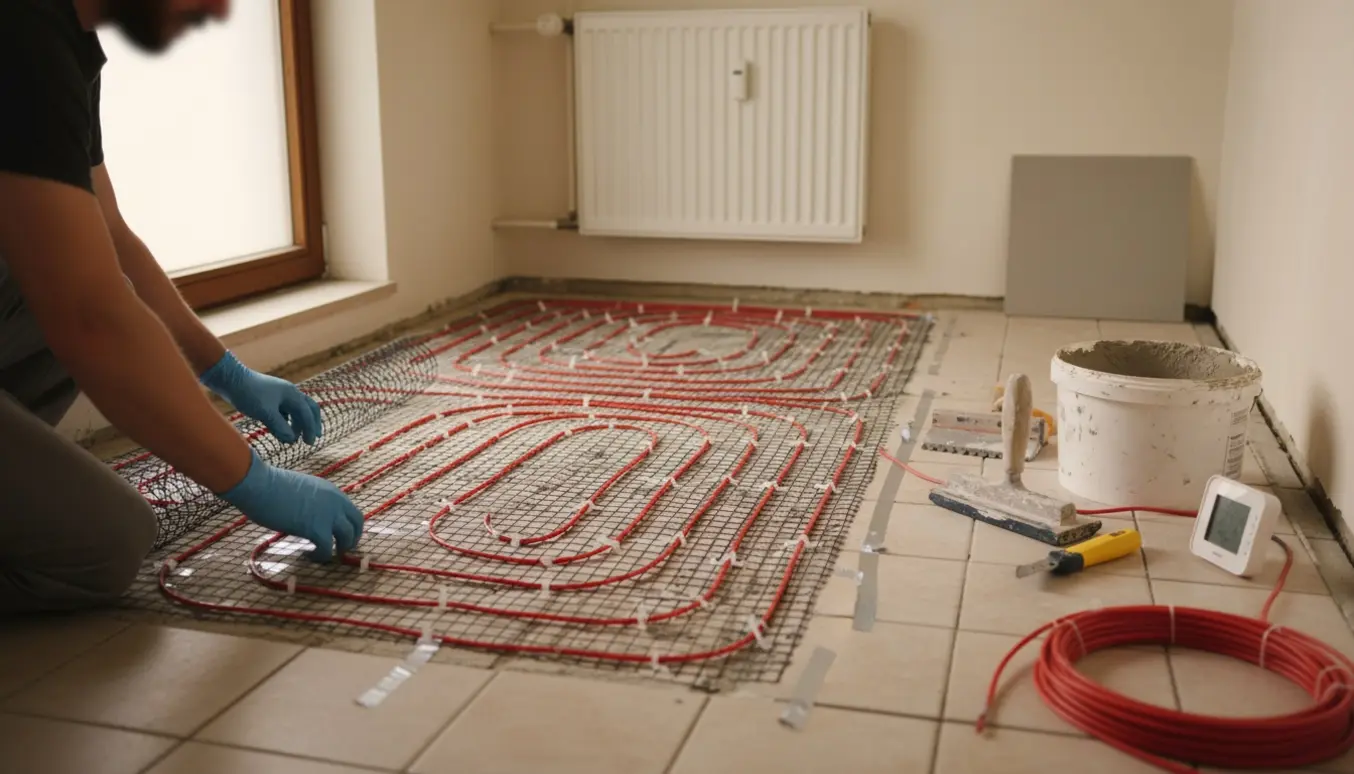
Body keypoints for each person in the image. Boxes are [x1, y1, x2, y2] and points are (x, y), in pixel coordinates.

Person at [0, 0, 364, 614]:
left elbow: (106, 234)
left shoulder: (62, 40)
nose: (219, 10)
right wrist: (253, 480)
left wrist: (224, 371)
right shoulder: (18, 31)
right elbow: (90, 315)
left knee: (76, 273)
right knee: (109, 544)